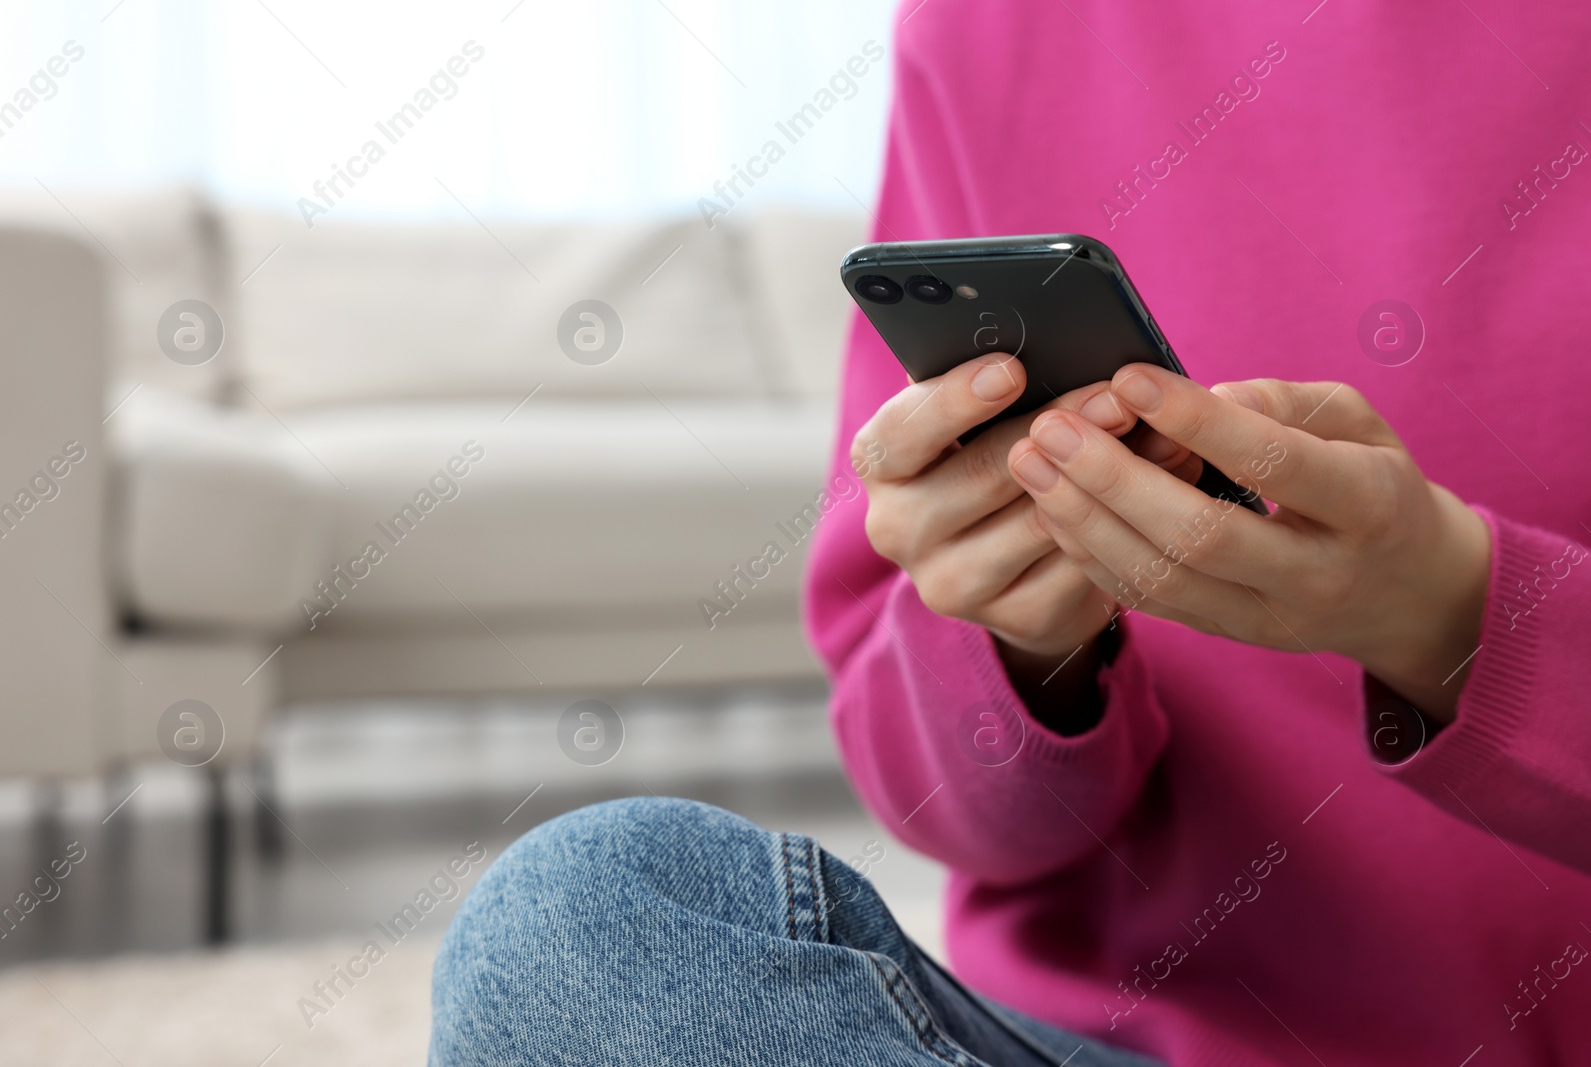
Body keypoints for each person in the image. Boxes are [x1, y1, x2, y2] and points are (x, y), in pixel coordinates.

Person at [430, 3, 1591, 1064]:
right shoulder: (988, 25)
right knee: (580, 925)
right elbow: (943, 806)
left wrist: (1444, 613)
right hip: (1097, 1050)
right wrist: (1027, 646)